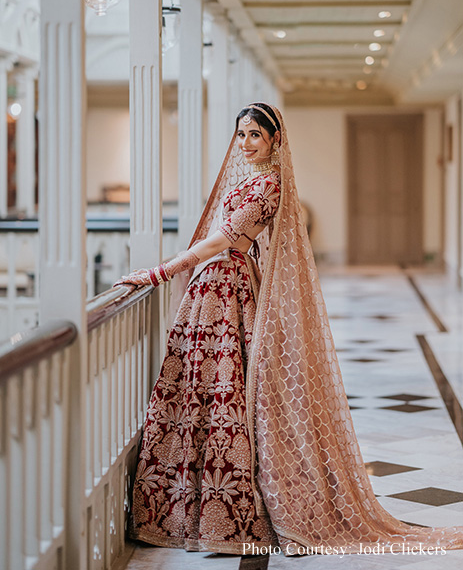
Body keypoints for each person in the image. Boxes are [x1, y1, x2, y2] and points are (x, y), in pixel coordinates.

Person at [115, 103, 463, 556]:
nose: (245, 144)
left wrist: (161, 271)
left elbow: (223, 239)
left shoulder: (270, 184)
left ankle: (225, 511)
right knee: (198, 390)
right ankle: (185, 509)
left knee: (224, 392)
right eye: (241, 135)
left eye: (255, 135)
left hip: (227, 291)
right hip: (213, 292)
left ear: (275, 139)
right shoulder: (247, 180)